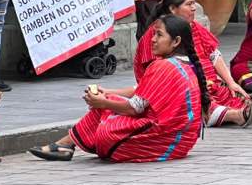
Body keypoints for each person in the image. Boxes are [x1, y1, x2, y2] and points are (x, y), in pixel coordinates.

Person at [29, 15, 209, 163]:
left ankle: (65, 145)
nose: (153, 40)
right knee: (108, 105)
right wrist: (108, 93)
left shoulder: (163, 66)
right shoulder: (187, 65)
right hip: (181, 143)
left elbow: (135, 107)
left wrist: (102, 101)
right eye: (154, 34)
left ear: (176, 40)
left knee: (105, 125)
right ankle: (65, 144)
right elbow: (141, 89)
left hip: (162, 141)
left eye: (159, 35)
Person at [135, 0, 252, 127]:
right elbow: (155, 71)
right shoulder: (156, 34)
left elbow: (214, 55)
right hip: (178, 86)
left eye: (194, 3)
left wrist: (230, 82)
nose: (194, 8)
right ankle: (237, 115)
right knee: (197, 100)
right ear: (172, 9)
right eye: (189, 4)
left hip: (208, 83)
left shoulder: (195, 27)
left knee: (229, 93)